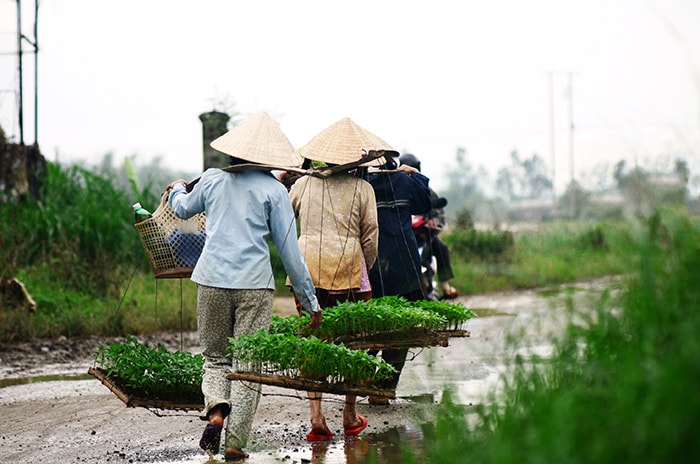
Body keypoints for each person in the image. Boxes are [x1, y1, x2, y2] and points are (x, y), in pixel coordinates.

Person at [166, 112, 321, 462]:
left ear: (232, 153)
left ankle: (217, 411)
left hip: (211, 280)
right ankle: (235, 443)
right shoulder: (274, 190)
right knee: (249, 363)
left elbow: (182, 208)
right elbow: (290, 253)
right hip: (254, 285)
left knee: (215, 357)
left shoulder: (211, 180)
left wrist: (177, 186)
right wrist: (309, 300)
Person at [287, 117, 384, 441]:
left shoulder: (302, 184)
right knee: (354, 340)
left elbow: (286, 223)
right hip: (349, 271)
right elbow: (370, 237)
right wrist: (362, 266)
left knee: (313, 339)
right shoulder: (363, 188)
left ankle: (316, 417)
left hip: (306, 271)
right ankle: (349, 413)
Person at [366, 153, 432, 403]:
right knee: (401, 327)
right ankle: (383, 388)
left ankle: (362, 379)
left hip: (372, 263)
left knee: (369, 324)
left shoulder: (364, 184)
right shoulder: (404, 181)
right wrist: (415, 176)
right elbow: (424, 205)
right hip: (404, 264)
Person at [399, 153, 458, 299]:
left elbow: (438, 214)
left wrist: (434, 224)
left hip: (423, 235)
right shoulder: (396, 190)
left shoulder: (427, 191)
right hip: (403, 237)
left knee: (441, 248)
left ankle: (445, 285)